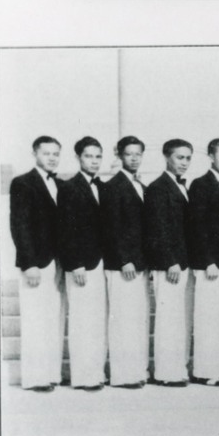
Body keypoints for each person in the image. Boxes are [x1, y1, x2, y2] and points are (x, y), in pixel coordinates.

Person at [9, 136, 66, 392]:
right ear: (35, 154)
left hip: (59, 262)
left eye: (56, 154)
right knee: (35, 319)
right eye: (46, 153)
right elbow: (19, 225)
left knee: (54, 317)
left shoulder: (61, 184)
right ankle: (34, 377)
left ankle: (51, 374)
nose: (52, 158)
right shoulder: (23, 182)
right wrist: (28, 263)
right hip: (37, 263)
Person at [58, 136, 107, 391]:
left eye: (98, 156)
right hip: (81, 265)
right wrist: (75, 263)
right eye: (89, 156)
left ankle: (96, 373)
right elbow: (66, 229)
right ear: (78, 158)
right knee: (82, 320)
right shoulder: (69, 187)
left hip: (101, 263)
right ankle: (83, 376)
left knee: (97, 319)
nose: (94, 161)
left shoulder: (103, 186)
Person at [101, 135, 150, 389]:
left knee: (136, 319)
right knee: (123, 320)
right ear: (119, 155)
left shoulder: (139, 184)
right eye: (129, 154)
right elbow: (112, 228)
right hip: (123, 266)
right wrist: (124, 260)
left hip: (139, 263)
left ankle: (136, 371)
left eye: (137, 154)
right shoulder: (113, 186)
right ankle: (122, 375)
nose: (134, 158)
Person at [144, 139, 194, 387]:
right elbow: (157, 229)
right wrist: (170, 262)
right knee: (168, 319)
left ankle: (178, 368)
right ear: (166, 157)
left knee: (180, 318)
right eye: (179, 157)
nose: (184, 162)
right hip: (170, 265)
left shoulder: (182, 186)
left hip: (183, 263)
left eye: (188, 158)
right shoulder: (157, 188)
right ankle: (166, 372)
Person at [188, 138, 219, 387]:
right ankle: (205, 371)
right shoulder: (200, 184)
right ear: (211, 156)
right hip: (211, 262)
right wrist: (208, 260)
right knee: (208, 316)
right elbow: (196, 226)